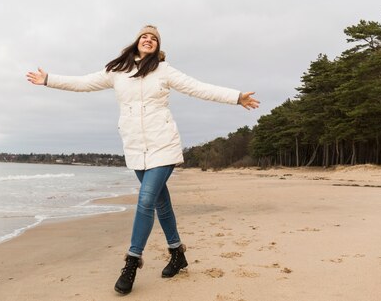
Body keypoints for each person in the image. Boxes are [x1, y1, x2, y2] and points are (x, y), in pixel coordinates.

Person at [26, 25, 259, 295]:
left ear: (158, 47)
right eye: (145, 36)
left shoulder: (164, 70)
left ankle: (132, 262)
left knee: (146, 199)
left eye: (154, 38)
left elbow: (197, 88)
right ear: (137, 42)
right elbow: (83, 83)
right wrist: (49, 79)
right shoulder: (117, 72)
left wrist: (235, 97)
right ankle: (177, 253)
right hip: (136, 148)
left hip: (163, 144)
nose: (149, 40)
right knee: (161, 203)